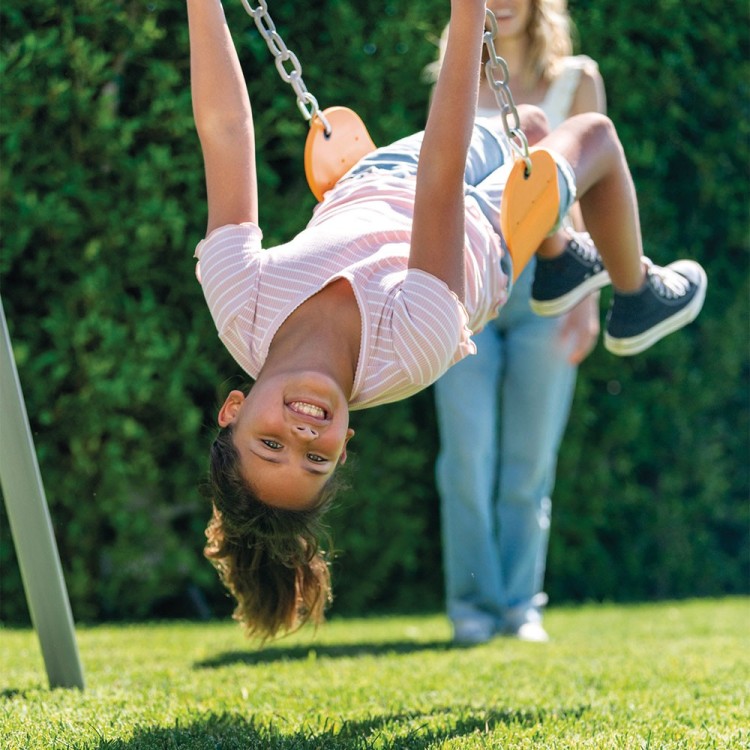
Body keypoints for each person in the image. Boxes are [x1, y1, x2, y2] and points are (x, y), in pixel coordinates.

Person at [187, 0, 707, 641]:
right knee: (594, 136)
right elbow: (442, 177)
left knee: (533, 123)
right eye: (316, 459)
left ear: (233, 409)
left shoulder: (240, 302)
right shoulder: (409, 350)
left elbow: (224, 130)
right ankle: (636, 298)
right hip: (484, 234)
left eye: (271, 444)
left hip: (382, 176)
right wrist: (467, 15)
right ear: (344, 447)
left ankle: (563, 260)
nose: (302, 433)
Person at [428, 0, 606, 645]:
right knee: (466, 458)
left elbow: (590, 193)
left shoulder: (577, 79)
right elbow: (437, 184)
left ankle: (519, 608)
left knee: (529, 465)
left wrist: (587, 300)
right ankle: (472, 607)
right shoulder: (454, 74)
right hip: (467, 287)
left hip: (550, 290)